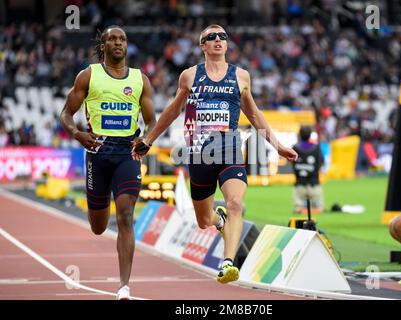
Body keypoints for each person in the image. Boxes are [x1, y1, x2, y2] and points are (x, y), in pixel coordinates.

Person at [132, 24, 298, 284]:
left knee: (235, 203)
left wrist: (277, 146)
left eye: (222, 36)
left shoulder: (241, 76)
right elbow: (174, 111)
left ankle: (228, 262)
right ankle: (217, 220)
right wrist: (148, 139)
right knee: (203, 220)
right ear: (203, 46)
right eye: (211, 37)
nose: (218, 40)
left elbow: (253, 114)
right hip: (200, 155)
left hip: (230, 149)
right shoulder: (189, 76)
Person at [60, 26, 156, 299]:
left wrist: (147, 139)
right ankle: (99, 218)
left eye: (122, 39)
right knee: (99, 226)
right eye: (112, 39)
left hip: (128, 153)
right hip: (98, 154)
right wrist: (77, 134)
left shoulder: (140, 80)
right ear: (103, 46)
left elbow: (151, 121)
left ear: (127, 45)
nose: (117, 43)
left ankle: (124, 285)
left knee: (126, 215)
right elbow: (66, 113)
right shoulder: (89, 75)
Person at [292, 126, 324, 214]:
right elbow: (321, 161)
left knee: (298, 210)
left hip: (300, 183)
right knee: (318, 209)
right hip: (314, 183)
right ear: (310, 135)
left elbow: (293, 162)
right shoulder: (316, 147)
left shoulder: (295, 147)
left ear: (300, 135)